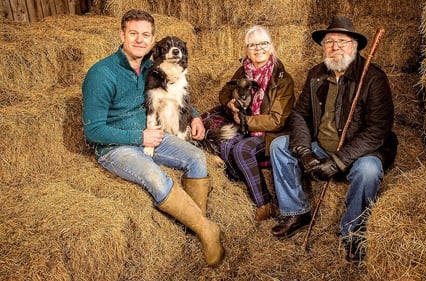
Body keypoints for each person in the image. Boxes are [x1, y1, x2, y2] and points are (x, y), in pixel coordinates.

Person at [82, 9, 224, 266]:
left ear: (153, 38)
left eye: (145, 35)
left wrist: (193, 116)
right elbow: (93, 131)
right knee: (153, 175)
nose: (139, 40)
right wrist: (138, 137)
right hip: (116, 147)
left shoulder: (153, 67)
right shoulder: (101, 74)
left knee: (195, 155)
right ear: (121, 35)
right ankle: (207, 231)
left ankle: (196, 224)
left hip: (152, 135)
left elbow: (176, 96)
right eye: (133, 33)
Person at [269, 15, 397, 261]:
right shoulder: (316, 74)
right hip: (320, 146)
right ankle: (296, 211)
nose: (335, 46)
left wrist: (338, 161)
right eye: (329, 42)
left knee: (369, 170)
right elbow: (299, 115)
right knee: (279, 146)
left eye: (342, 41)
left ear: (355, 46)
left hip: (358, 152)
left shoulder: (373, 78)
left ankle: (353, 232)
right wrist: (304, 151)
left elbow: (378, 130)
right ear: (323, 47)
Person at [218, 25, 295, 221]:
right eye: (252, 45)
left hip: (270, 133)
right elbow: (225, 91)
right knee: (225, 144)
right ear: (246, 49)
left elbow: (276, 121)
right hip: (244, 126)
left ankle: (264, 203)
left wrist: (244, 120)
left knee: (242, 150)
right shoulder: (243, 71)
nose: (258, 48)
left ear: (271, 47)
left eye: (263, 43)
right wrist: (230, 104)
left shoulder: (282, 79)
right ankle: (241, 188)